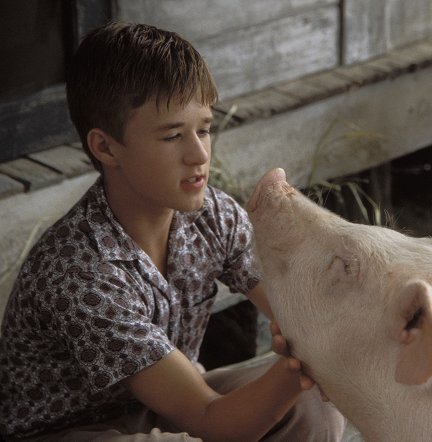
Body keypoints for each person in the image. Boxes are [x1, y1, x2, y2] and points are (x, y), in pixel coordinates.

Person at [0, 21, 345, 441]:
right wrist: (303, 363)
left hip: (164, 406)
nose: (199, 155)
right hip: (74, 431)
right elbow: (209, 421)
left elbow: (294, 306)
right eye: (172, 136)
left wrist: (320, 327)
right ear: (106, 147)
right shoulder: (79, 272)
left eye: (203, 129)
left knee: (311, 407)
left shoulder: (212, 215)